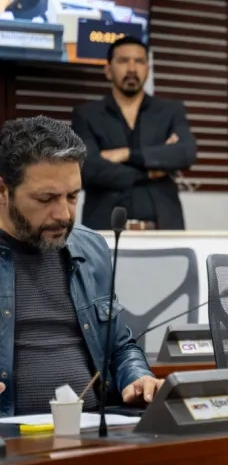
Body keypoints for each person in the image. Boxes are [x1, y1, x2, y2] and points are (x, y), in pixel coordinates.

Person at [0, 116, 162, 416]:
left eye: (72, 196)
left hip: (96, 429)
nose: (63, 214)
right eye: (46, 198)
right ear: (3, 191)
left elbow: (120, 347)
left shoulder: (91, 248)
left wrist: (138, 377)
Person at [71, 35, 197, 231]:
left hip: (163, 227)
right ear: (108, 70)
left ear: (147, 69)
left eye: (139, 61)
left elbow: (185, 153)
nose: (131, 68)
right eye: (123, 61)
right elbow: (88, 168)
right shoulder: (87, 115)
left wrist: (127, 154)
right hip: (104, 230)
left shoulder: (171, 110)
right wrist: (150, 170)